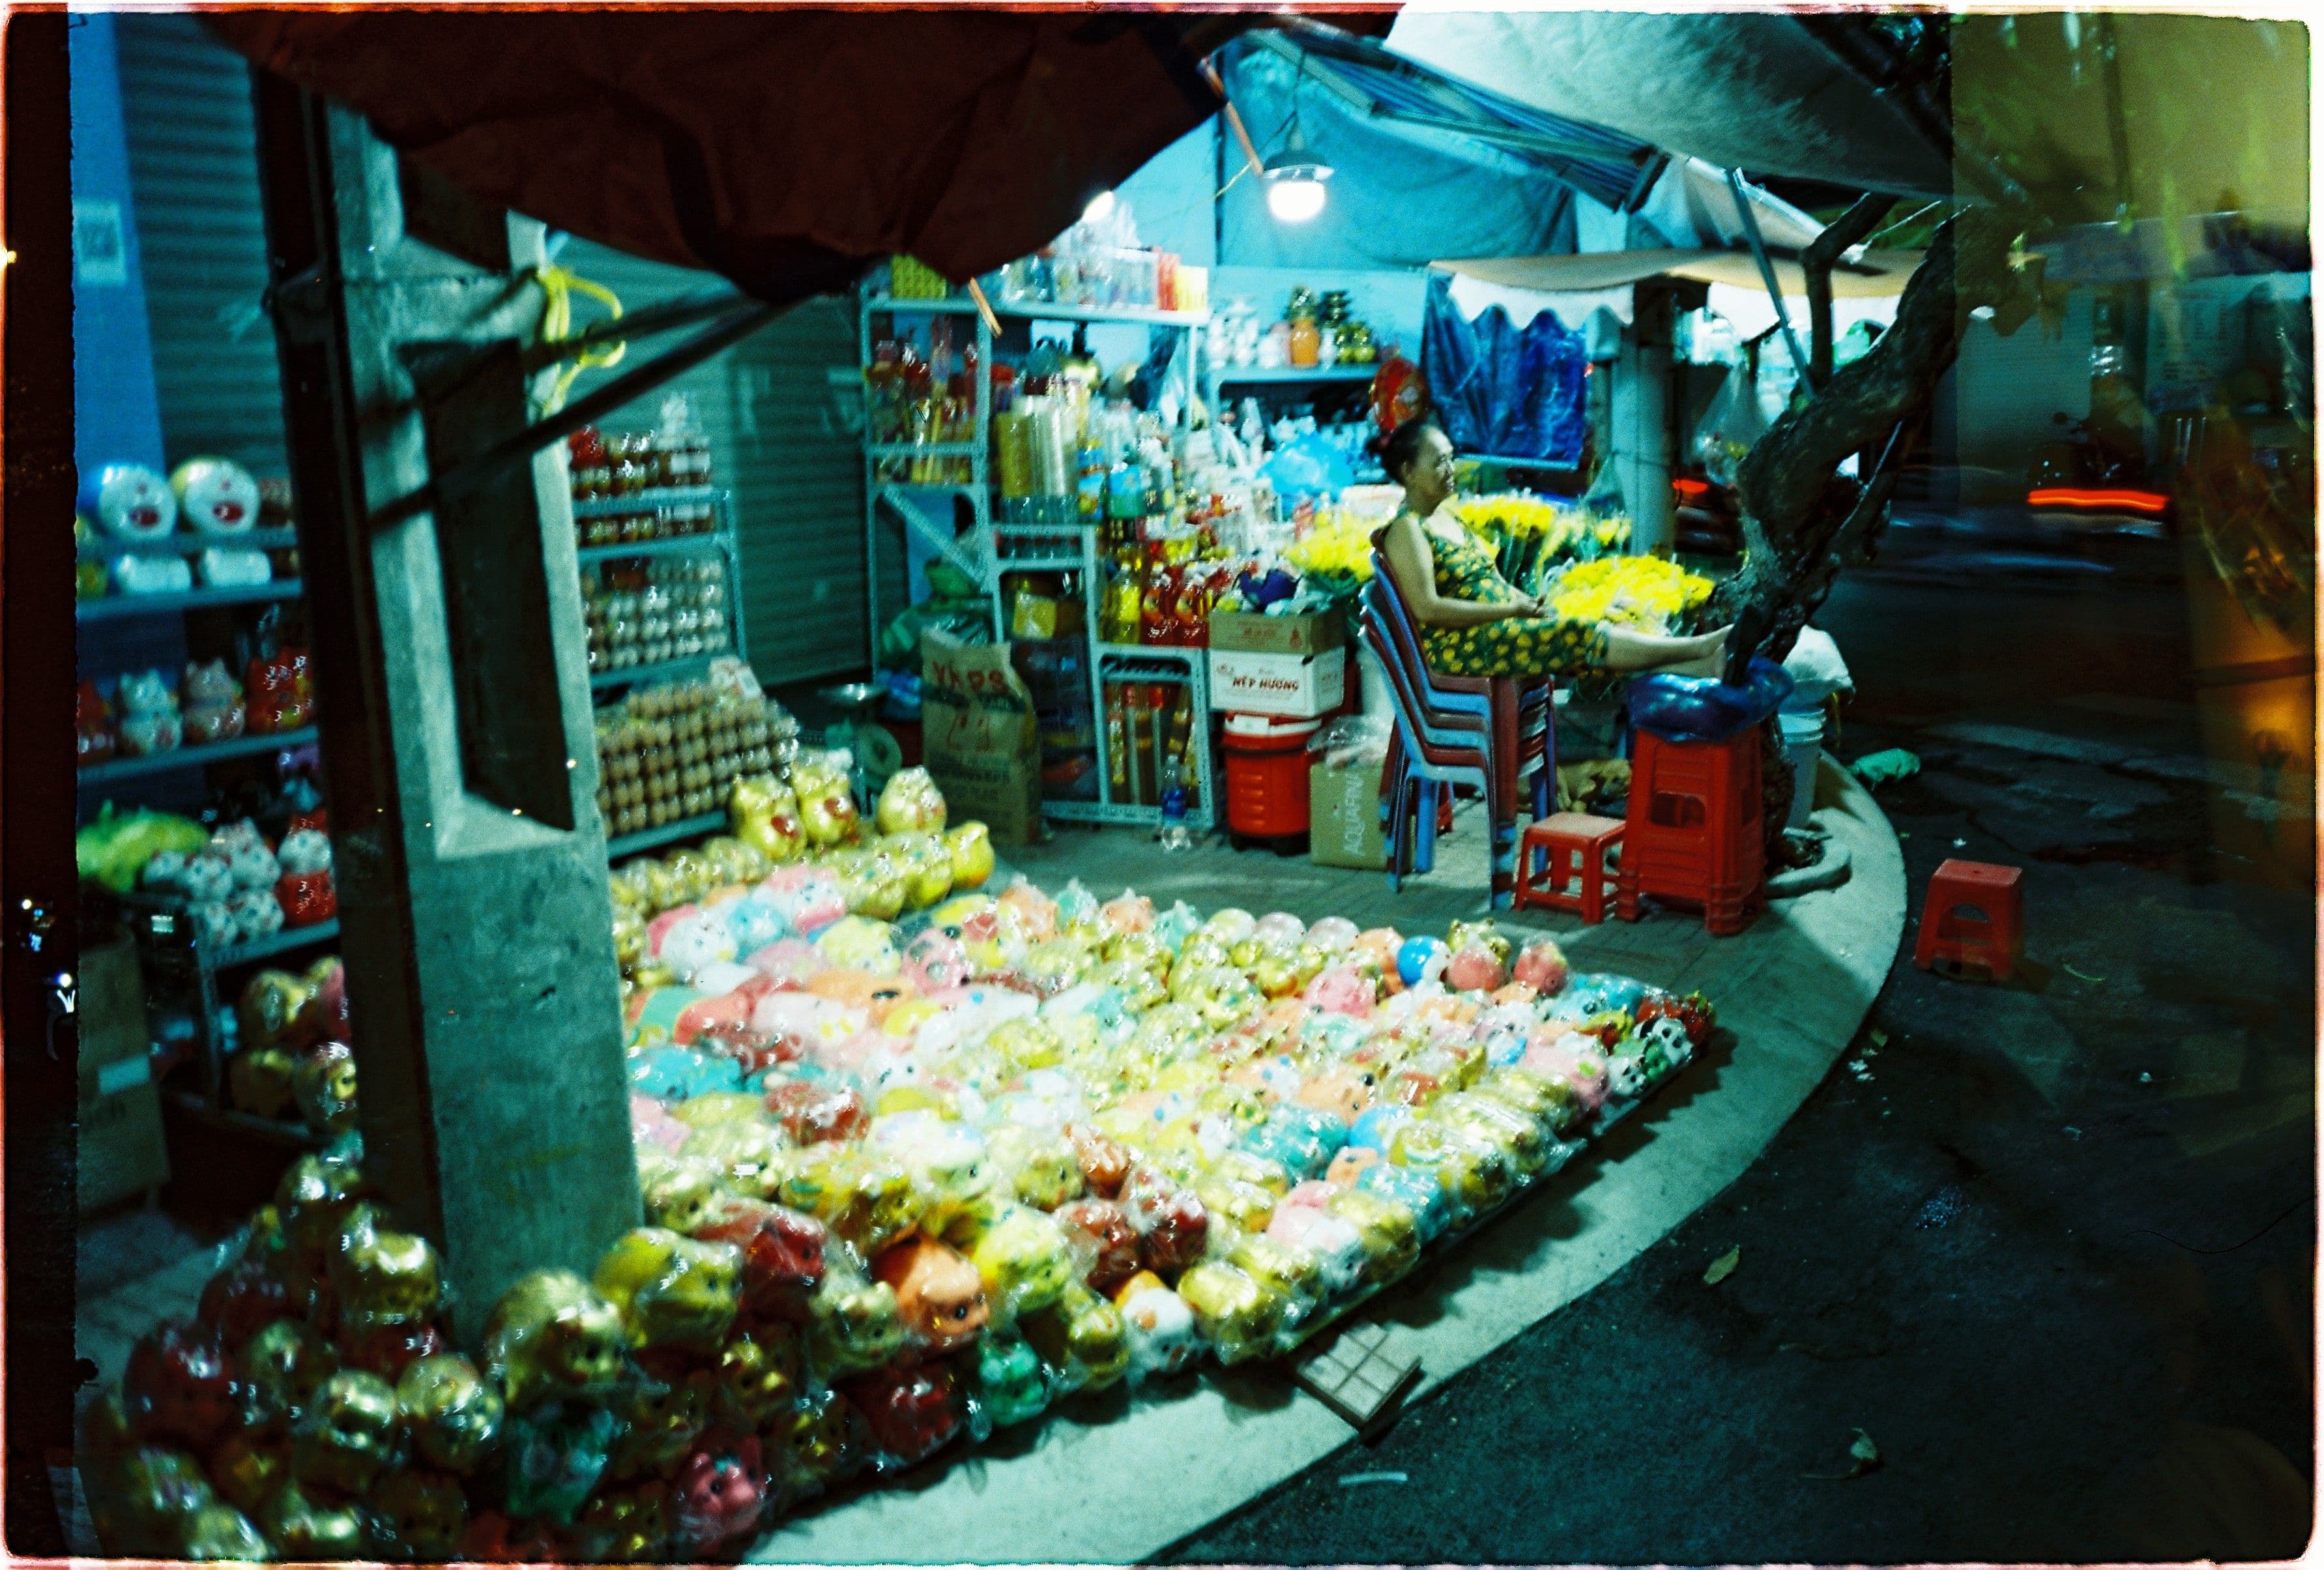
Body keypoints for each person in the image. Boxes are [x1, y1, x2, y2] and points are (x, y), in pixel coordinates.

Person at [1374, 419, 1728, 679]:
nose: (1450, 470)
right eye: (1438, 462)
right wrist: (1509, 610)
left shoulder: (1449, 518)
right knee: (1576, 634)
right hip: (1458, 648)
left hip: (1495, 629)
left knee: (1586, 624)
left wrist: (1531, 605)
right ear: (1408, 472)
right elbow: (1429, 609)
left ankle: (1703, 666)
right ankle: (1698, 648)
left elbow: (1492, 581)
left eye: (1451, 458)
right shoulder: (1407, 529)